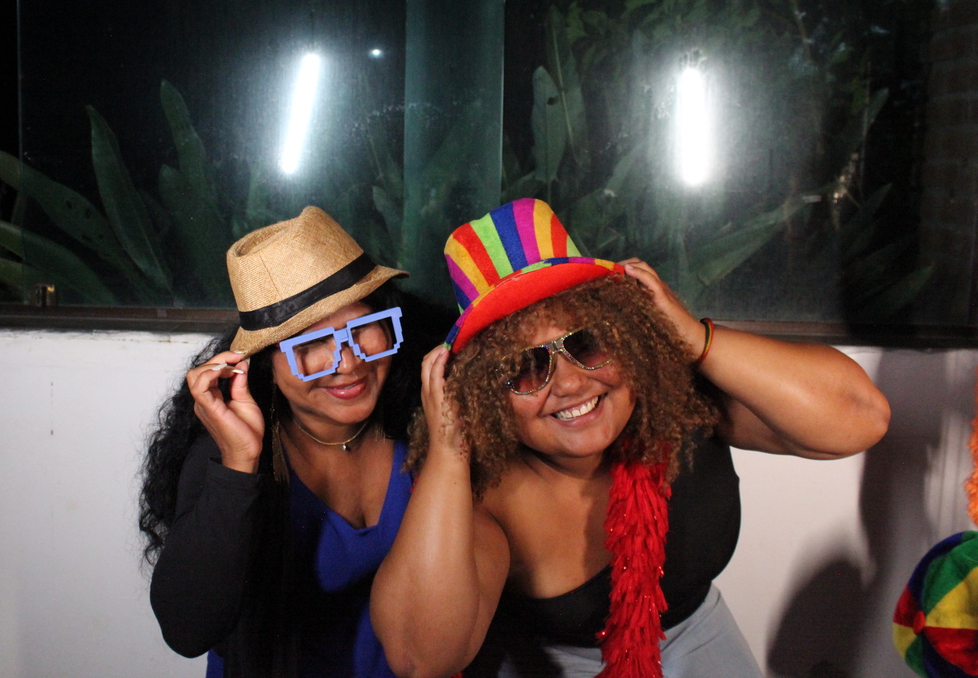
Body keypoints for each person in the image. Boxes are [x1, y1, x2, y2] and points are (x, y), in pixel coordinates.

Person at [370, 198, 891, 678]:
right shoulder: (488, 492)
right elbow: (420, 658)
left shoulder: (679, 405)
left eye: (588, 343)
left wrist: (694, 337)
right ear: (485, 396)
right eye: (523, 369)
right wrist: (449, 450)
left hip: (701, 635)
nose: (569, 384)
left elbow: (862, 417)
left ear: (630, 335)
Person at [140, 206, 445, 678]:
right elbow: (186, 631)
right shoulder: (231, 454)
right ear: (263, 364)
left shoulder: (420, 417)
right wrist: (238, 463)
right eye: (310, 345)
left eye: (363, 328)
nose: (348, 362)